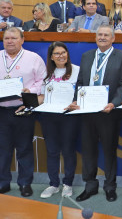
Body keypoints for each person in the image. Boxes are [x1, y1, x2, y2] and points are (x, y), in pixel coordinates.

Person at [66, 25, 122, 202]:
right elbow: (80, 83)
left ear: (113, 39)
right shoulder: (87, 56)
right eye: (99, 35)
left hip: (108, 112)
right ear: (95, 38)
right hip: (87, 112)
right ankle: (90, 186)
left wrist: (114, 103)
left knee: (109, 151)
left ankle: (110, 187)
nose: (102, 37)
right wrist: (75, 100)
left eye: (106, 35)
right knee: (88, 151)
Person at [0, 28, 46, 196]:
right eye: (6, 38)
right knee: (1, 148)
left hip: (23, 110)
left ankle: (25, 183)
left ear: (22, 39)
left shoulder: (34, 58)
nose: (10, 41)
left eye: (14, 38)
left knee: (24, 148)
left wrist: (30, 90)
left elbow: (43, 81)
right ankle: (3, 182)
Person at [36, 42, 80, 199]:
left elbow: (82, 94)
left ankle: (68, 184)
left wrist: (76, 103)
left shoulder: (77, 71)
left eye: (63, 52)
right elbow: (41, 96)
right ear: (51, 57)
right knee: (52, 151)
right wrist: (29, 102)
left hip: (69, 117)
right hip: (48, 117)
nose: (61, 56)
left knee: (68, 151)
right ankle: (53, 184)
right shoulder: (46, 73)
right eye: (57, 53)